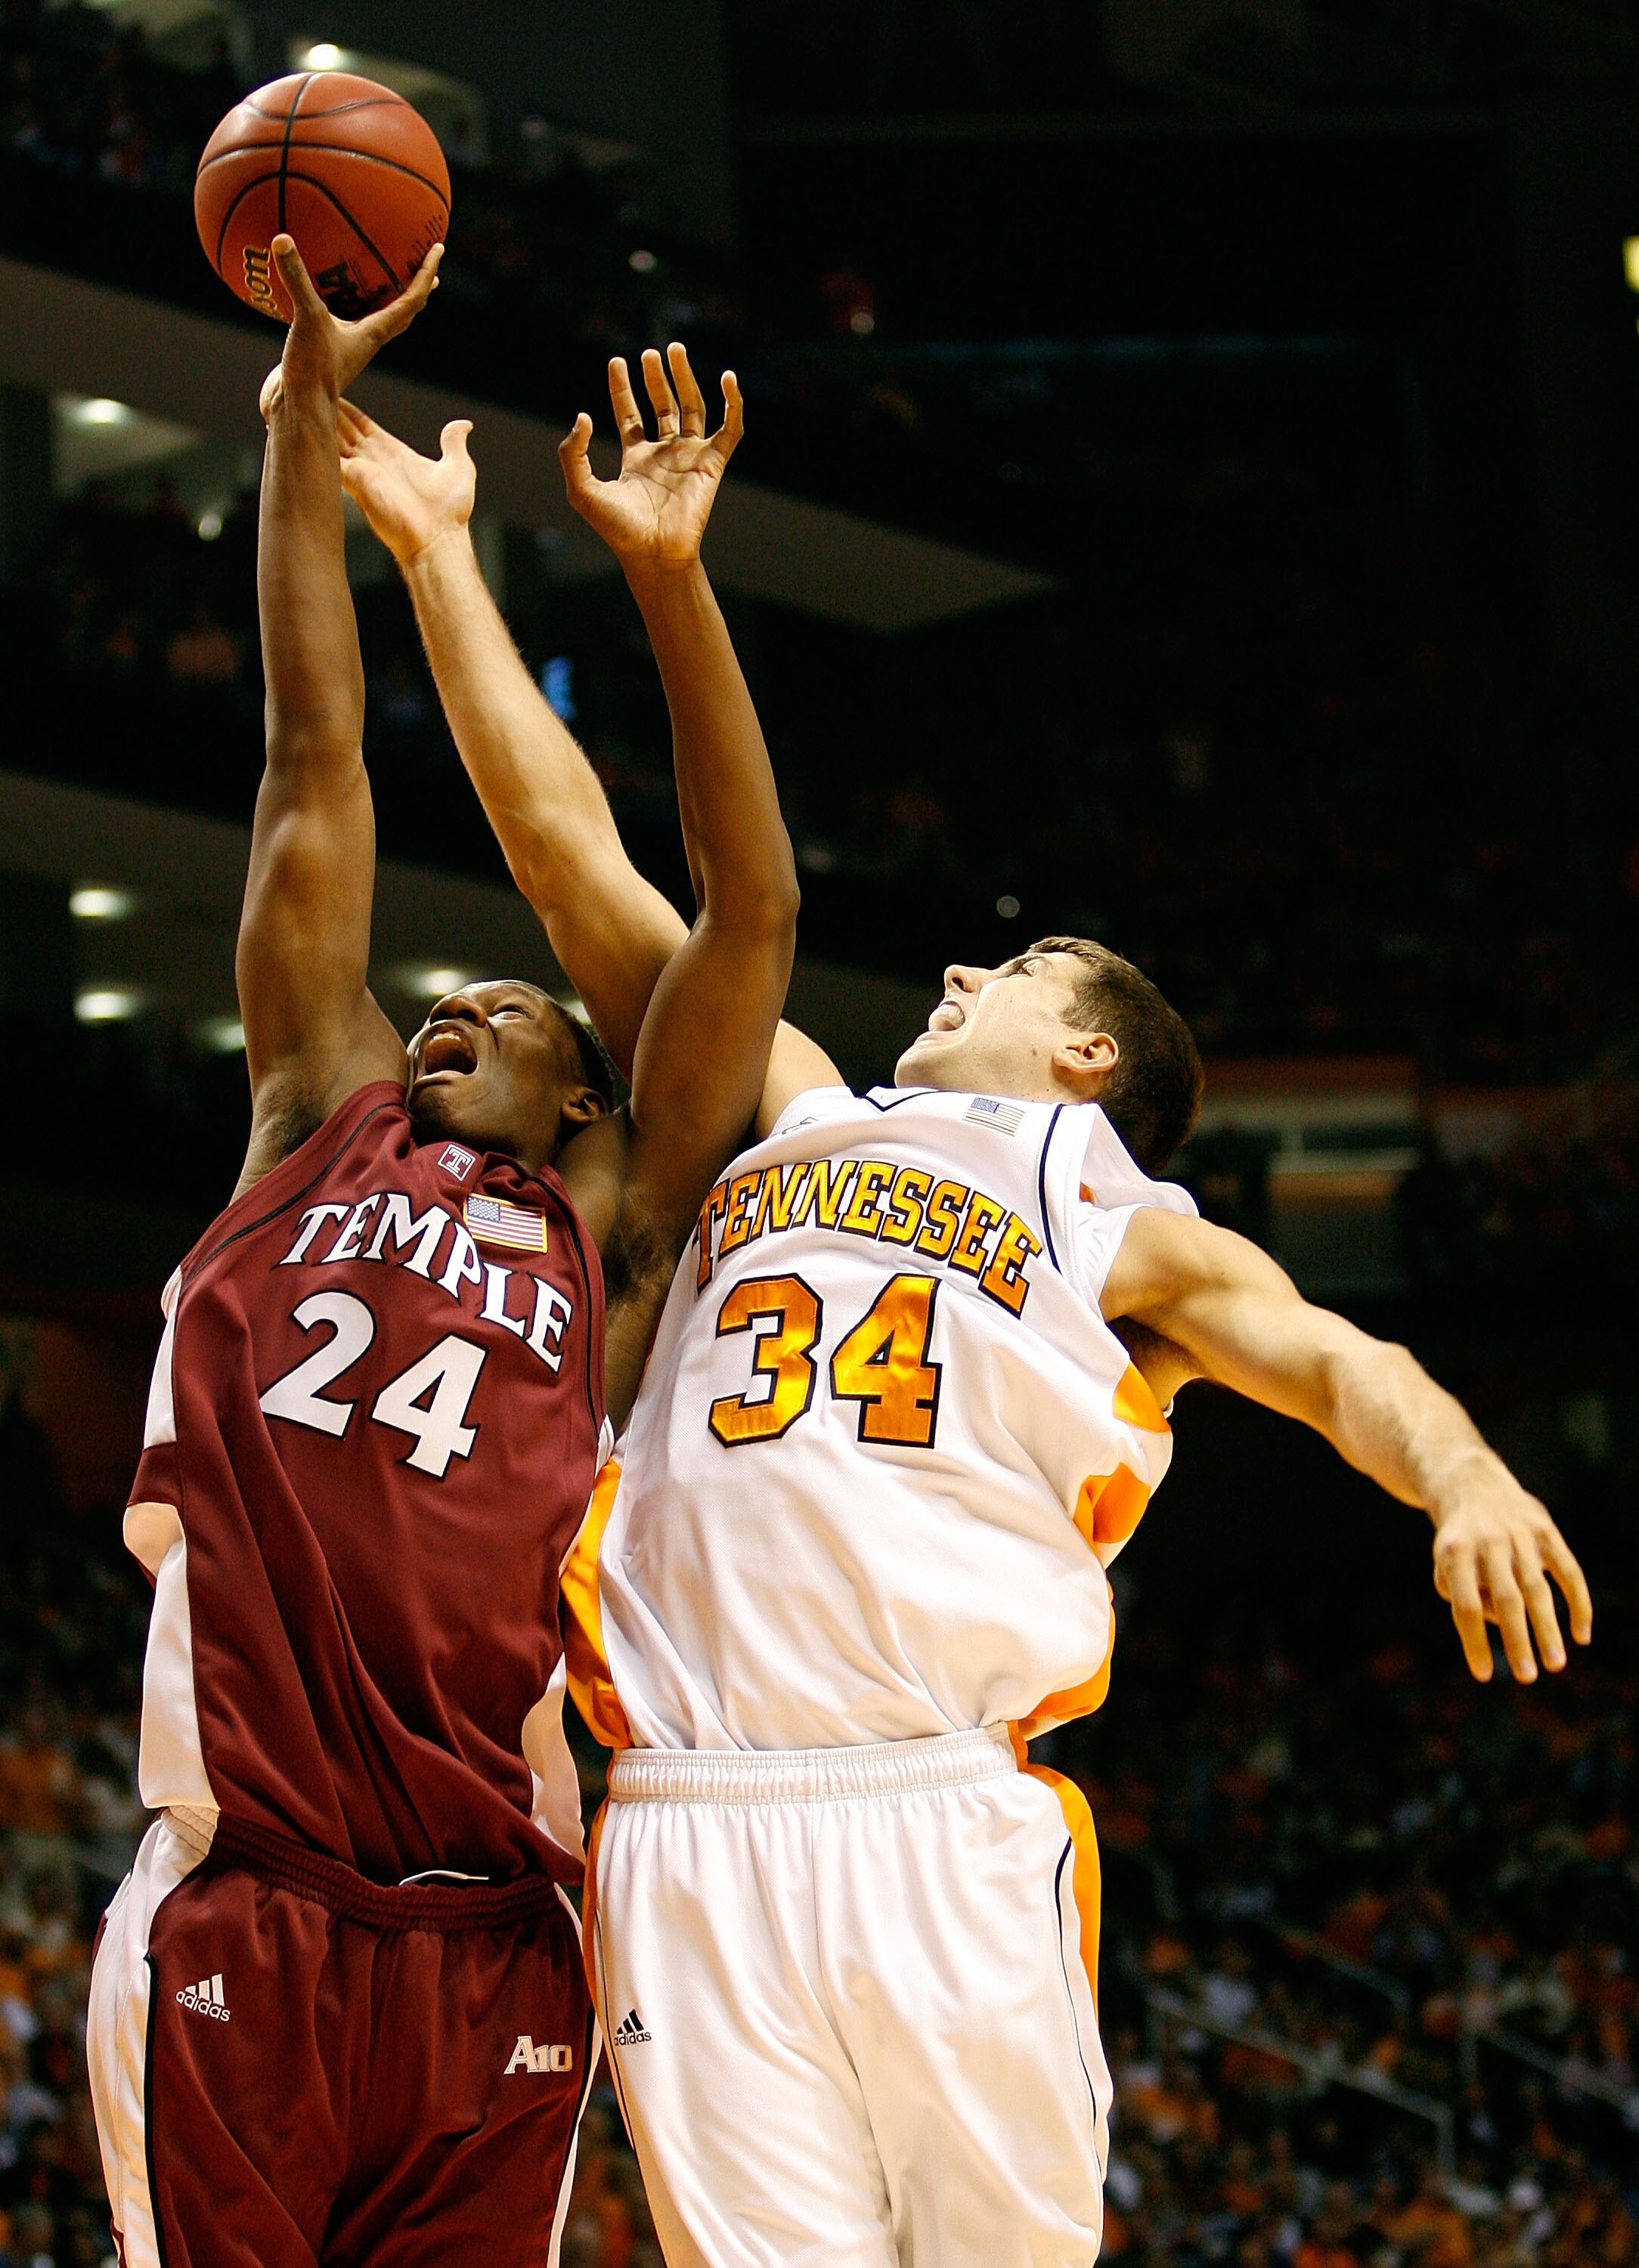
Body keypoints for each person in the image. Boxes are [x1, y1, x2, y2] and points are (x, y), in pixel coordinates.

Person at [336, 406, 1593, 2268]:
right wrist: (442, 559)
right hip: (683, 1804)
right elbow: (568, 863)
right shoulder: (792, 1107)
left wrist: (1467, 1478)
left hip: (936, 1805)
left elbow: (1337, 1364)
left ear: (1091, 1054)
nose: (950, 975)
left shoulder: (1116, 1215)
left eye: (1005, 976)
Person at [84, 240, 798, 2268]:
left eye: (502, 1006)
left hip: (497, 1931)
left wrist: (670, 579)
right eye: (434, 1006)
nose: (445, 1017)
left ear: (593, 1088)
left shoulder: (620, 1227)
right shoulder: (318, 1114)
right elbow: (313, 757)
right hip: (255, 1887)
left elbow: (745, 920)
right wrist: (303, 425)